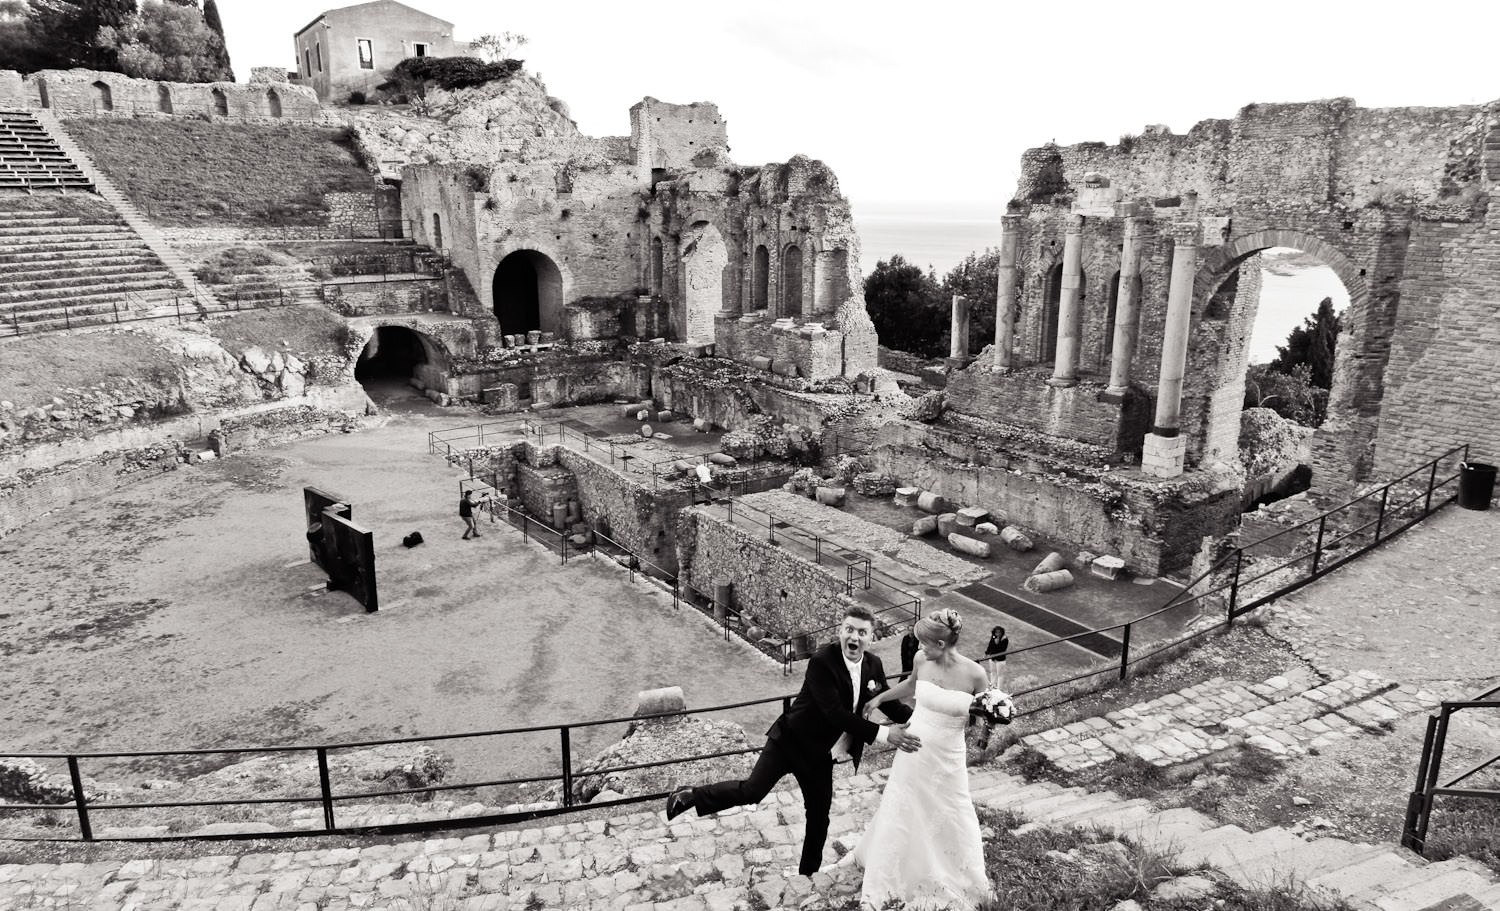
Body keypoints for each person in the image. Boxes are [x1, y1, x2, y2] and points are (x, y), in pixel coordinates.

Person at [665, 605, 919, 876]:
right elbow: (834, 714)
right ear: (840, 631)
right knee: (751, 792)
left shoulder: (873, 665)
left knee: (819, 819)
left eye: (861, 632)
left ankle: (806, 876)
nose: (854, 637)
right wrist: (885, 734)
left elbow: (886, 702)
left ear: (871, 637)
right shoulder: (822, 661)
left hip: (821, 756)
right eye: (849, 630)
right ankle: (690, 795)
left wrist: (921, 718)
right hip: (789, 742)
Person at [849, 608, 991, 910]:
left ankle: (960, 875)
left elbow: (985, 712)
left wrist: (985, 734)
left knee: (954, 808)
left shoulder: (976, 674)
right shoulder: (921, 660)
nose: (920, 648)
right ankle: (893, 870)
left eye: (926, 643)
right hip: (914, 748)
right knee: (903, 806)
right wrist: (879, 698)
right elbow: (913, 686)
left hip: (948, 754)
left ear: (941, 645)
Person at [976, 625, 1009, 750]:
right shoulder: (994, 636)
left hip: (999, 659)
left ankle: (998, 689)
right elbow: (991, 645)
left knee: (1000, 675)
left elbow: (1001, 648)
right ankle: (993, 687)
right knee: (992, 674)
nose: (997, 633)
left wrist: (996, 642)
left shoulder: (1004, 639)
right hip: (993, 659)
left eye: (998, 631)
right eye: (996, 631)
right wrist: (987, 653)